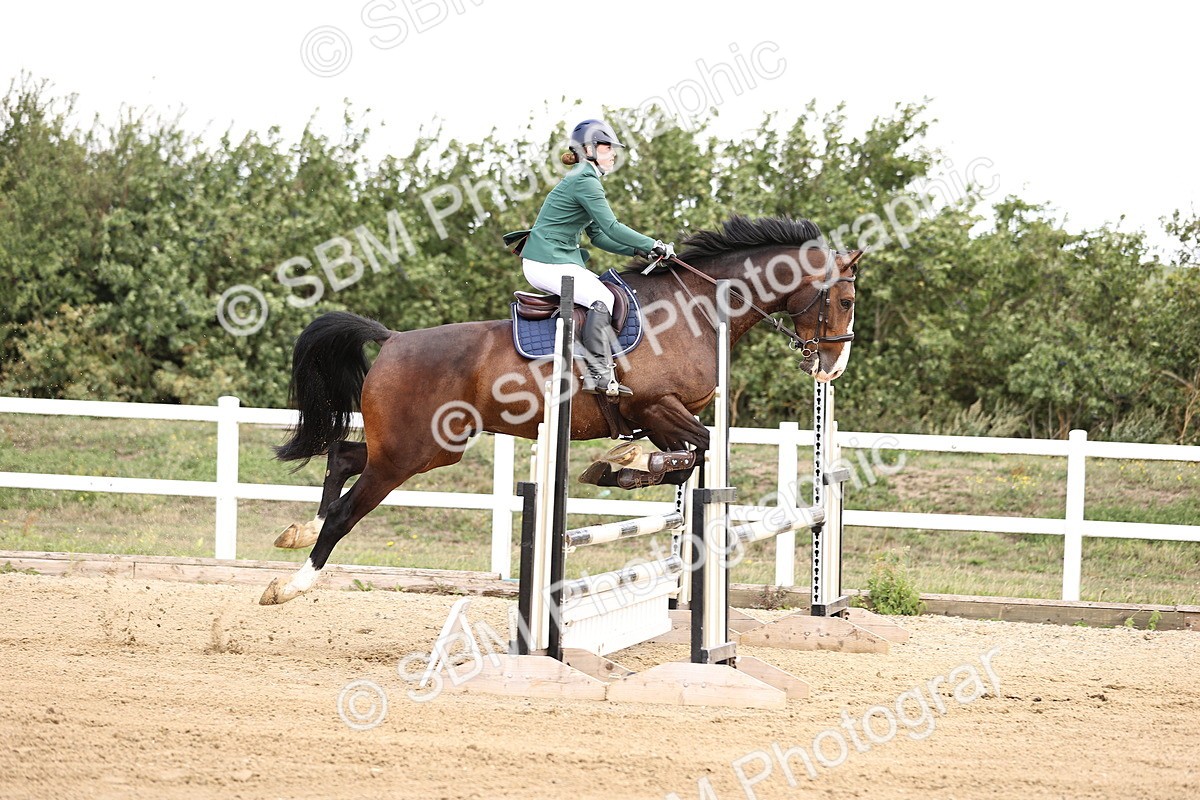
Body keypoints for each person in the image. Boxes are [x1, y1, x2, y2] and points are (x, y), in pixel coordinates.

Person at [519, 119, 675, 397]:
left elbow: (599, 237)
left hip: (557, 259)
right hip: (546, 261)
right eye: (607, 147)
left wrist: (639, 251)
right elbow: (612, 227)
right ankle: (597, 374)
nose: (613, 153)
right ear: (588, 149)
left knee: (609, 293)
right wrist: (654, 243)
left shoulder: (584, 178)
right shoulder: (585, 180)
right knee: (603, 298)